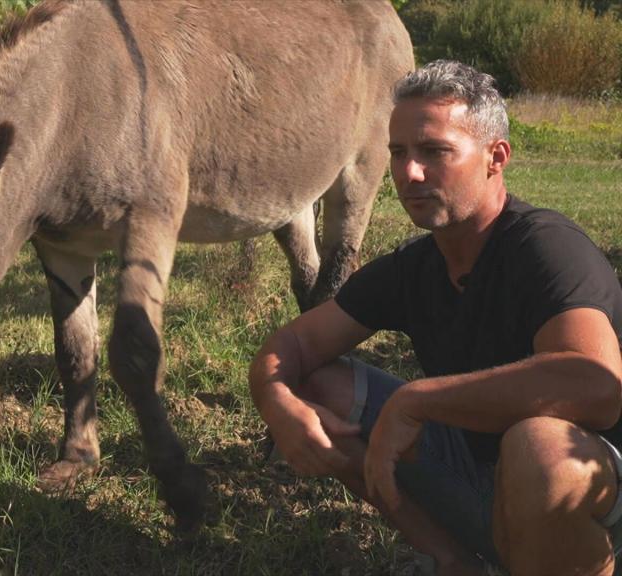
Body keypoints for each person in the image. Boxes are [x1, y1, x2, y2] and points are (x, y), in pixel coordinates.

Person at [249, 60, 622, 576]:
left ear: (496, 157)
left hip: (590, 510)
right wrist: (275, 399)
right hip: (482, 489)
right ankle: (453, 560)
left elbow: (597, 386)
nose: (409, 173)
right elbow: (291, 348)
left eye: (434, 151)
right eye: (398, 153)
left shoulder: (546, 249)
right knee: (315, 386)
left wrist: (415, 400)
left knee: (536, 447)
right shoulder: (414, 267)